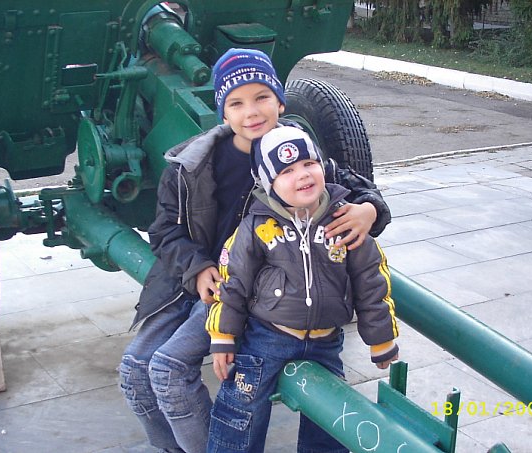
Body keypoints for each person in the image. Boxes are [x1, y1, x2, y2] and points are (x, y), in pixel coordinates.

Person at [118, 47, 392, 453]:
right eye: (237, 103)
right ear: (223, 113)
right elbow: (163, 232)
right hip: (192, 279)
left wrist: (370, 209)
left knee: (167, 368)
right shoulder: (190, 164)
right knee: (133, 370)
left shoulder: (298, 154)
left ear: (280, 101)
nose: (252, 112)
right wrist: (196, 267)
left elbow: (356, 187)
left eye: (262, 97)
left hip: (242, 288)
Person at [205, 126, 399, 453]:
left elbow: (371, 279)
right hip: (268, 338)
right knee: (240, 410)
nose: (303, 175)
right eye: (287, 171)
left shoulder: (344, 218)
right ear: (269, 183)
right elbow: (233, 280)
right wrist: (223, 336)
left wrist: (381, 338)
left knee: (331, 419)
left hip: (326, 342)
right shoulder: (257, 225)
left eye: (309, 164)